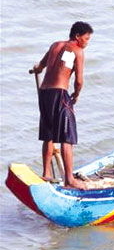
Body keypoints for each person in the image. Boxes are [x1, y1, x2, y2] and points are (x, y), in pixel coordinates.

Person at [32, 21, 93, 189]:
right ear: (77, 36)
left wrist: (36, 70)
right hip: (60, 94)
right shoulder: (77, 51)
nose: (87, 43)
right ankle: (69, 180)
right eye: (86, 39)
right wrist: (76, 94)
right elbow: (79, 80)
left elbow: (40, 66)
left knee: (48, 134)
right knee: (67, 138)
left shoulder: (55, 45)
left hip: (45, 93)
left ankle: (46, 173)